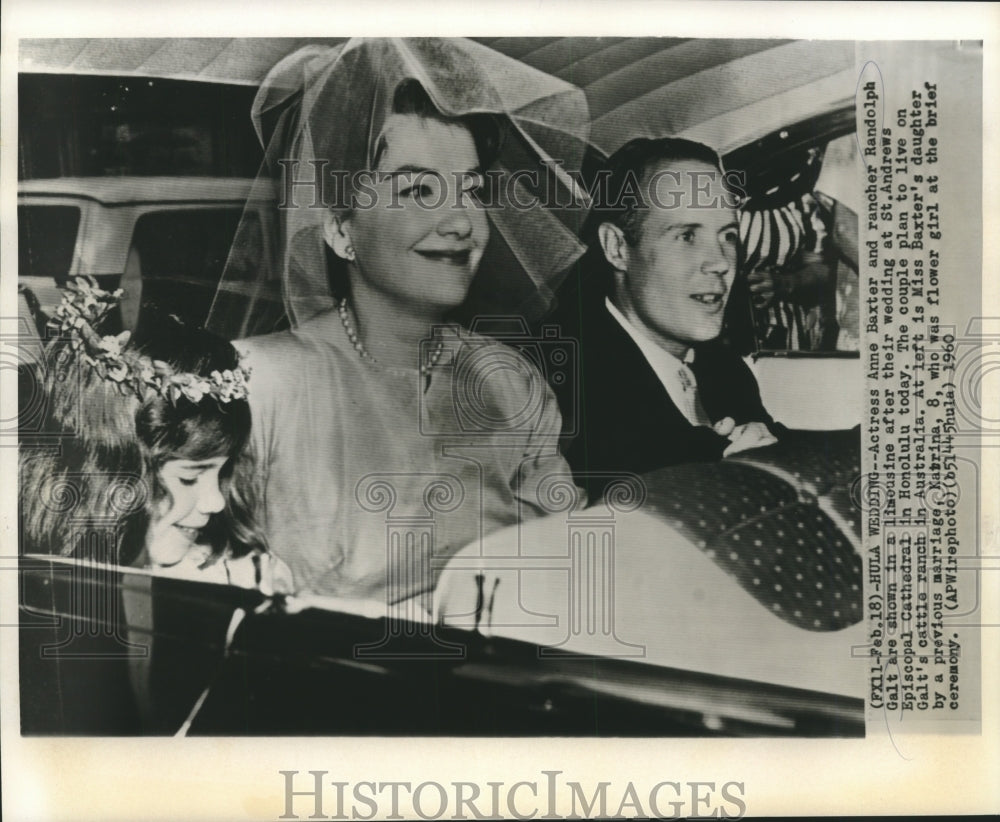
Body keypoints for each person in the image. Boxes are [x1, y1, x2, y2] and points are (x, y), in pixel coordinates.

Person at [227, 40, 592, 604]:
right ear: (340, 228)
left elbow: (566, 566)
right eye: (418, 190)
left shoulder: (507, 381)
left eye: (470, 189)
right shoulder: (259, 386)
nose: (461, 223)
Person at [19, 277, 290, 593]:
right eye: (188, 478)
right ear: (108, 475)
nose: (216, 502)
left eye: (223, 471)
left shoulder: (231, 576)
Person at [548, 137, 783, 500]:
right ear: (618, 248)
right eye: (687, 235)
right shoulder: (555, 375)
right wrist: (731, 468)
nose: (720, 262)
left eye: (729, 236)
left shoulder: (725, 370)